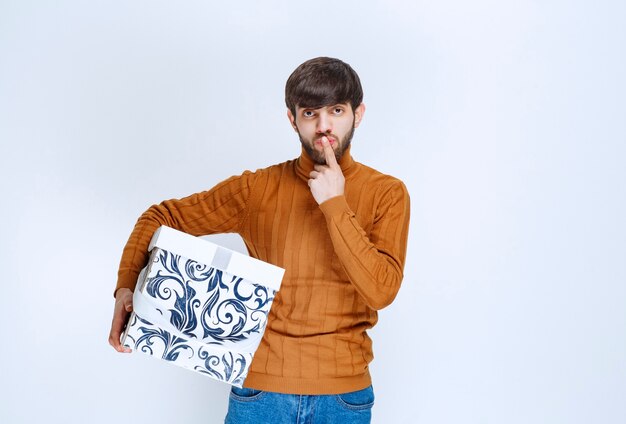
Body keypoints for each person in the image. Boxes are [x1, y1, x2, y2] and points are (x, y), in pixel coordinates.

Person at [109, 57, 410, 424]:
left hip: (344, 399)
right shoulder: (257, 189)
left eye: (336, 110)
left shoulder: (387, 194)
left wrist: (334, 204)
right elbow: (160, 216)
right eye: (310, 113)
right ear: (292, 119)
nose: (324, 126)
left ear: (357, 114)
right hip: (261, 396)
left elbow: (381, 291)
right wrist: (126, 287)